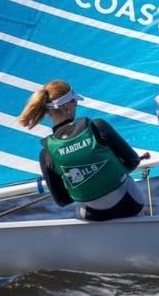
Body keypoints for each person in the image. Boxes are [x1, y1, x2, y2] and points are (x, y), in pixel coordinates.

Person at [17, 80, 145, 221]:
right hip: (131, 204)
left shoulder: (47, 154)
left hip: (94, 216)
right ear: (66, 107)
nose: (76, 106)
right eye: (75, 102)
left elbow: (62, 200)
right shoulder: (97, 126)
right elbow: (133, 161)